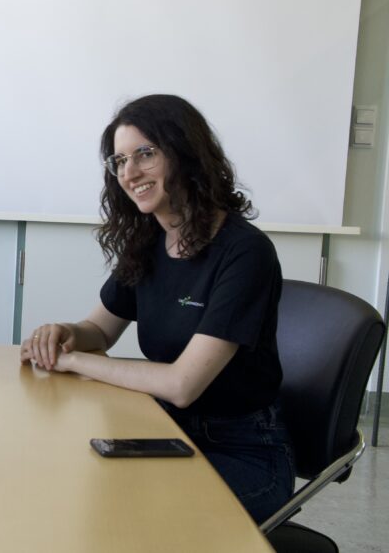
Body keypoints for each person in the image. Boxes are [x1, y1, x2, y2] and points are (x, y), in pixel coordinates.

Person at [20, 94, 294, 524]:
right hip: (167, 429)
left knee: (138, 518)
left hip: (243, 451)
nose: (130, 173)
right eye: (119, 160)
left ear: (185, 153)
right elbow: (100, 328)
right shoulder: (149, 240)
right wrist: (65, 333)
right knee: (68, 486)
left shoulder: (244, 252)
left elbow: (182, 384)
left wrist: (73, 362)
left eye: (145, 154)